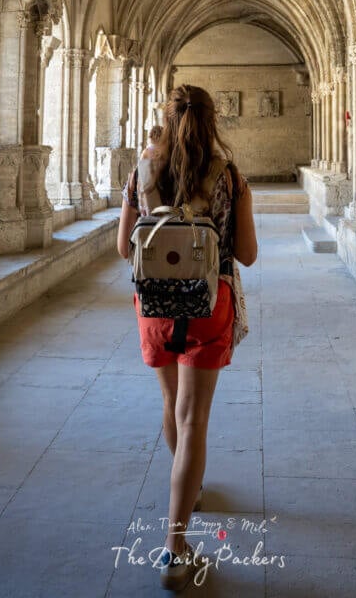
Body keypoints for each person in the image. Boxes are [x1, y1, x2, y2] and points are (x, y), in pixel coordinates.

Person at [117, 84, 257, 591]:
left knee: (171, 404)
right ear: (211, 120)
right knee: (193, 418)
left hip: (154, 306)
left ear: (166, 117)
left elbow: (121, 246)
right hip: (206, 308)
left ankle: (187, 490)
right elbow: (246, 255)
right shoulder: (229, 178)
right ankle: (175, 547)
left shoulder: (144, 171)